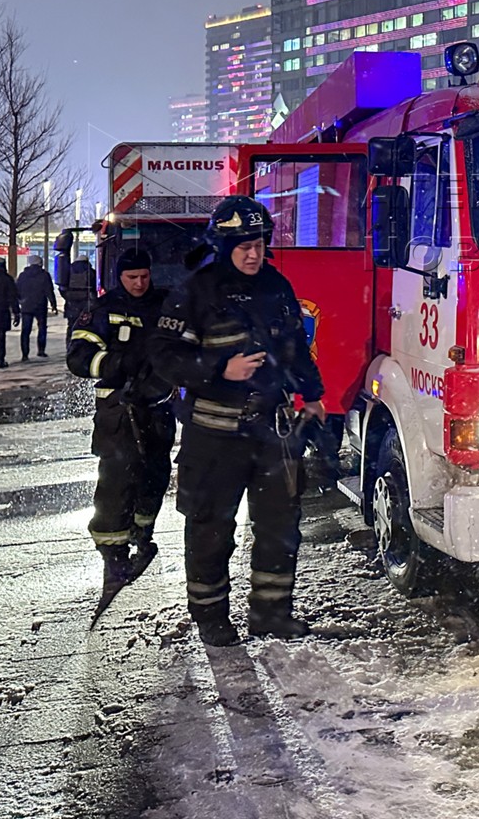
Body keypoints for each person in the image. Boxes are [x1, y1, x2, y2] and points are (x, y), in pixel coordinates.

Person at [150, 195, 325, 647]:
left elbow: (295, 347)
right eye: (243, 245)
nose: (253, 253)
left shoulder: (277, 286)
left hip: (273, 432)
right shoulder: (196, 290)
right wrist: (219, 370)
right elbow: (164, 356)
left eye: (259, 243)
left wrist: (314, 395)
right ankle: (210, 616)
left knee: (279, 527)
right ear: (222, 245)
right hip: (214, 435)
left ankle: (271, 612)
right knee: (210, 528)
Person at [66, 247, 175, 595]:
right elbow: (78, 357)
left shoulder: (164, 305)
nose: (140, 283)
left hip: (158, 408)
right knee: (117, 480)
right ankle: (113, 554)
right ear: (119, 278)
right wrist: (116, 364)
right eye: (132, 278)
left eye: (144, 276)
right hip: (118, 409)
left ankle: (143, 535)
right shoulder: (103, 309)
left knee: (155, 475)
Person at [15, 253, 58, 361]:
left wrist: (21, 301)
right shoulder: (44, 275)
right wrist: (53, 304)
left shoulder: (23, 275)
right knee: (42, 328)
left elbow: (17, 290)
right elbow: (49, 291)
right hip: (40, 305)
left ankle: (25, 354)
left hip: (26, 306)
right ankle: (41, 350)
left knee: (25, 331)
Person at [62, 252, 98, 348]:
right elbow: (95, 288)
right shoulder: (91, 272)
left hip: (71, 304)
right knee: (87, 326)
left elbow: (62, 287)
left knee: (71, 326)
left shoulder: (68, 271)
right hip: (87, 303)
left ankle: (70, 345)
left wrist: (67, 297)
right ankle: (83, 345)